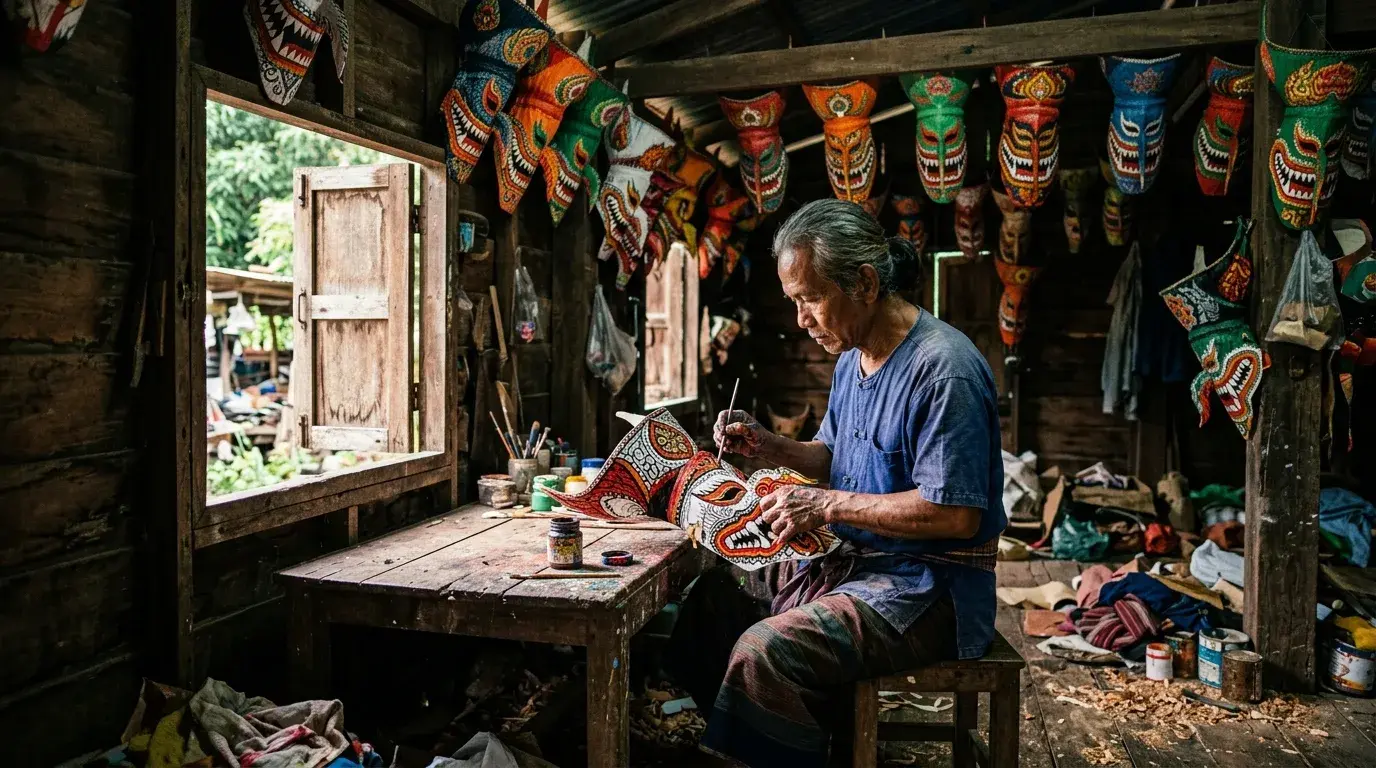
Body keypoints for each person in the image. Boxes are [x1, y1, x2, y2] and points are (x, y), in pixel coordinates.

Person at [668, 198, 1006, 767]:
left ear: (867, 283)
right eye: (793, 301)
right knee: (711, 602)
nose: (801, 319)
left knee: (763, 652)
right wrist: (768, 447)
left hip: (928, 589)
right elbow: (834, 455)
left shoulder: (942, 369)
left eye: (811, 299)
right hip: (859, 563)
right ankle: (797, 743)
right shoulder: (853, 357)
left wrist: (825, 505)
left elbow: (955, 515)